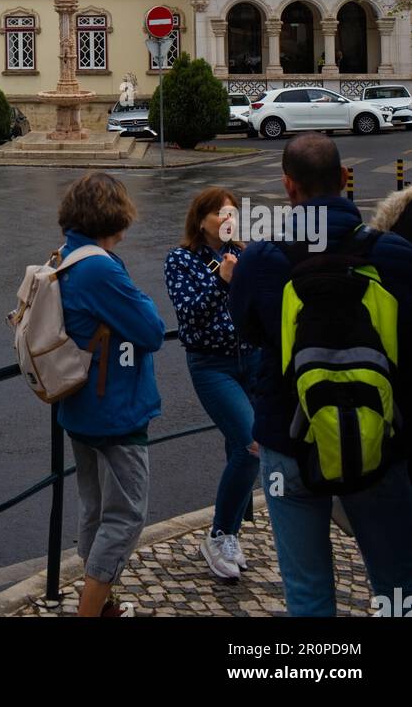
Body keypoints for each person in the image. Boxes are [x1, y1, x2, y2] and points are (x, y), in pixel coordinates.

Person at [229, 133, 412, 617]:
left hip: (288, 441)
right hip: (381, 438)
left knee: (307, 593)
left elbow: (247, 333)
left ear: (289, 187)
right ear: (344, 178)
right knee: (396, 587)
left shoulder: (261, 260)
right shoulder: (394, 255)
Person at [55, 173, 165, 617]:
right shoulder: (99, 266)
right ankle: (91, 610)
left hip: (81, 407)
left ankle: (102, 604)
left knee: (97, 509)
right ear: (114, 216)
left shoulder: (68, 254)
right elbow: (152, 330)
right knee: (125, 516)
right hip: (114, 411)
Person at [164, 188, 259, 581]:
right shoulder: (181, 260)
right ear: (201, 219)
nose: (227, 220)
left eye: (233, 214)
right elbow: (189, 316)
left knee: (246, 448)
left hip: (254, 359)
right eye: (220, 214)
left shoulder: (246, 253)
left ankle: (230, 536)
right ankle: (219, 535)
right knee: (251, 444)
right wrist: (221, 281)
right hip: (212, 365)